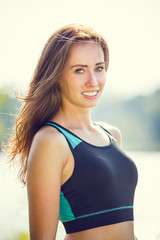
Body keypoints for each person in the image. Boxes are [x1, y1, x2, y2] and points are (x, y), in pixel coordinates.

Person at [3, 24, 138, 240]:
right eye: (79, 70)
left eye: (99, 68)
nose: (93, 81)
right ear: (56, 76)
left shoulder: (112, 134)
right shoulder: (51, 141)